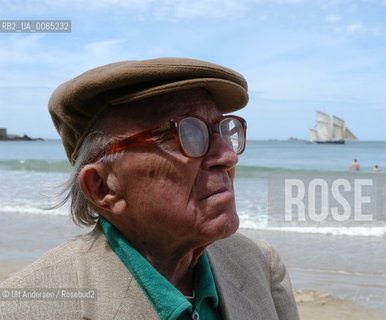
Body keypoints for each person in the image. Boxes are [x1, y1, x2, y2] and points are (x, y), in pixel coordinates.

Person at [0, 58, 299, 319]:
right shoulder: (23, 309)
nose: (228, 156)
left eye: (223, 130)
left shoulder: (259, 264)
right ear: (103, 187)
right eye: (188, 133)